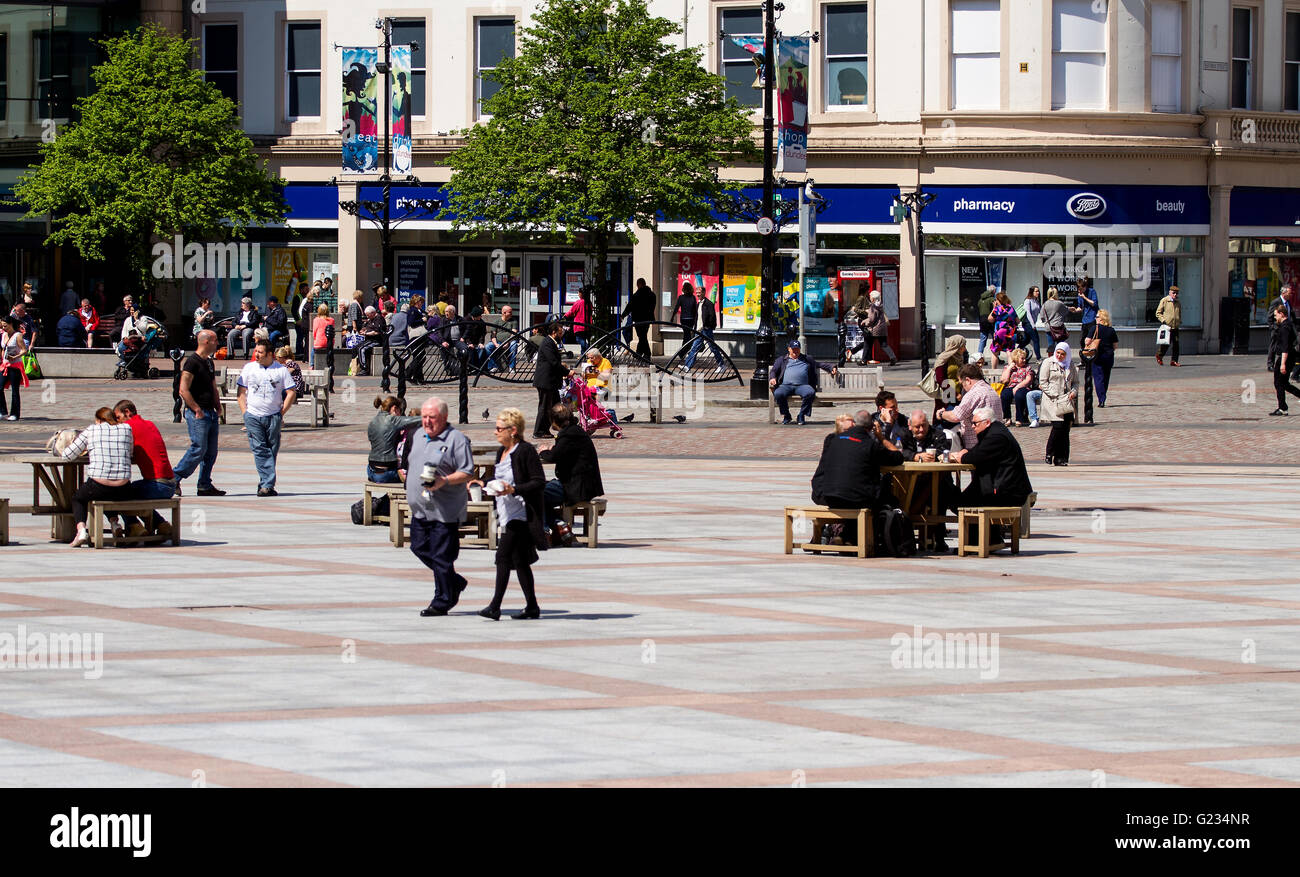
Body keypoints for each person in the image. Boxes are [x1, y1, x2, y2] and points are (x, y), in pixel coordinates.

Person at [403, 396, 475, 617]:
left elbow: (467, 471)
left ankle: (442, 600)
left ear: (444, 418)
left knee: (442, 556)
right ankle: (454, 582)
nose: (426, 421)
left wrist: (443, 481)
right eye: (424, 417)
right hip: (420, 508)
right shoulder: (416, 436)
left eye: (432, 417)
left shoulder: (457, 440)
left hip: (445, 510)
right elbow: (408, 462)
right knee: (418, 547)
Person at [475, 407, 548, 620]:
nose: (495, 432)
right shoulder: (502, 451)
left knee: (502, 557)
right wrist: (484, 483)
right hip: (506, 513)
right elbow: (502, 479)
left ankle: (495, 606)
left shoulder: (525, 451)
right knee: (520, 560)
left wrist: (514, 490)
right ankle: (532, 606)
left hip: (522, 514)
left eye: (499, 428)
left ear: (513, 430)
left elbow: (538, 481)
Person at [952, 407, 1034, 544]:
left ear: (987, 422)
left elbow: (974, 457)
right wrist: (967, 453)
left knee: (963, 503)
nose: (972, 427)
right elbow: (979, 453)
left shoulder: (996, 437)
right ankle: (990, 539)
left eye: (975, 423)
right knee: (960, 500)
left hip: (1008, 492)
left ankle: (979, 543)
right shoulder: (994, 432)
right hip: (1000, 487)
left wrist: (962, 456)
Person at [62, 407, 134, 547]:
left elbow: (67, 455)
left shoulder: (91, 430)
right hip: (123, 486)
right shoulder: (127, 429)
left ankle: (81, 530)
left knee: (78, 498)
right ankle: (114, 523)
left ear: (98, 420)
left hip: (98, 484)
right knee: (106, 494)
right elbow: (130, 454)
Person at [810, 409, 904, 517]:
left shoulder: (833, 440)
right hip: (857, 499)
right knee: (889, 498)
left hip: (827, 496)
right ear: (871, 427)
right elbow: (898, 457)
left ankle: (842, 531)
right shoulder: (870, 445)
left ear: (855, 423)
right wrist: (881, 437)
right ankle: (873, 531)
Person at [236, 338, 298, 496]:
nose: (256, 354)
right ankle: (267, 485)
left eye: (260, 352)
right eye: (255, 351)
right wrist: (245, 413)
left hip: (273, 416)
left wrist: (282, 412)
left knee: (271, 450)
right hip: (253, 416)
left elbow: (291, 392)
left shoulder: (281, 370)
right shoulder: (249, 368)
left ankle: (265, 482)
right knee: (259, 449)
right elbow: (241, 393)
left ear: (270, 354)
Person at [110, 399, 177, 541]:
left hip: (157, 485)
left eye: (118, 418)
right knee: (134, 490)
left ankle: (134, 526)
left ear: (127, 412)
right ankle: (161, 524)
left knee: (120, 492)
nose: (118, 422)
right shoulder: (150, 424)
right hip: (171, 484)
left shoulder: (128, 427)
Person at [537, 402, 604, 538]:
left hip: (575, 487)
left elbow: (554, 456)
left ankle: (544, 530)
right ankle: (560, 525)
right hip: (584, 485)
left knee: (535, 491)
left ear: (554, 421)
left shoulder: (568, 435)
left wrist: (543, 451)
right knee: (540, 490)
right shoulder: (575, 431)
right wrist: (554, 449)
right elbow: (563, 451)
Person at [174, 329, 225, 496]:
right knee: (198, 448)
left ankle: (204, 484)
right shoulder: (192, 362)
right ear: (206, 342)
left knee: (211, 452)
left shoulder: (209, 362)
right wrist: (195, 408)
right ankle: (174, 477)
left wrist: (218, 405)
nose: (218, 343)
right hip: (198, 413)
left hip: (210, 412)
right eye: (215, 340)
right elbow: (183, 389)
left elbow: (213, 387)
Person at [769, 339, 837, 426]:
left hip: (802, 385)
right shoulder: (782, 359)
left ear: (800, 349)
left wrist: (832, 367)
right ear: (789, 349)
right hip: (786, 386)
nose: (795, 351)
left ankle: (801, 415)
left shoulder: (807, 359)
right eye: (793, 349)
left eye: (797, 349)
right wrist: (772, 378)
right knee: (778, 393)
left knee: (810, 393)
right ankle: (786, 415)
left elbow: (819, 364)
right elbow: (774, 370)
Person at [938, 363, 1001, 451]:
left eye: (961, 384)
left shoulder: (973, 394)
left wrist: (941, 414)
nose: (962, 387)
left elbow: (956, 416)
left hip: (976, 445)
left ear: (967, 380)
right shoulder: (991, 391)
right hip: (994, 441)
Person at [1039, 341, 1077, 466]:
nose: (1060, 356)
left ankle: (1062, 458)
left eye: (1063, 354)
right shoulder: (1048, 363)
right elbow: (1043, 382)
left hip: (1066, 401)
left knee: (1065, 429)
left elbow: (1076, 382)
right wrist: (1054, 393)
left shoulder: (1070, 364)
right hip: (1052, 399)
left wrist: (1074, 392)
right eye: (1058, 353)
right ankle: (1049, 453)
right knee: (1057, 427)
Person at [367, 395, 421, 483]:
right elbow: (417, 420)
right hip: (386, 474)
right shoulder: (393, 420)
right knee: (415, 476)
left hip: (370, 471)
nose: (401, 414)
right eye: (400, 411)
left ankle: (386, 497)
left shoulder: (372, 421)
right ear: (395, 408)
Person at [532, 320, 569, 439]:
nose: (561, 335)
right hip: (545, 381)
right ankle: (539, 431)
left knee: (555, 405)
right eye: (560, 332)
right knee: (544, 406)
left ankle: (553, 426)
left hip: (551, 381)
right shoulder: (547, 342)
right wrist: (567, 372)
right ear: (554, 332)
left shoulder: (551, 342)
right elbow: (553, 362)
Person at [1268, 303, 1300, 415]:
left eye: (1276, 315)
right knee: (1285, 383)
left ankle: (1282, 408)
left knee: (1279, 383)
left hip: (1285, 357)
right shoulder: (1288, 324)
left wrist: (1282, 364)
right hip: (1289, 357)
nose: (1275, 317)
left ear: (1282, 314)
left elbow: (1285, 347)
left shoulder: (1285, 327)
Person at [683, 285, 722, 370]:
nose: (697, 295)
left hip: (706, 330)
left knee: (713, 348)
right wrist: (695, 328)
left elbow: (712, 317)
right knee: (694, 348)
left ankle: (721, 365)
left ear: (704, 293)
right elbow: (697, 318)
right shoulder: (698, 304)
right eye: (696, 293)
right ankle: (687, 366)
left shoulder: (708, 304)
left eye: (699, 293)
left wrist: (708, 327)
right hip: (699, 330)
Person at [1087, 309, 1120, 408]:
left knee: (1098, 378)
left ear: (1101, 318)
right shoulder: (1111, 330)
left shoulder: (1094, 328)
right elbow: (1115, 346)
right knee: (1105, 378)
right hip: (1109, 356)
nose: (1095, 318)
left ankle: (1101, 399)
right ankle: (1103, 397)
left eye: (1097, 317)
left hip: (1097, 356)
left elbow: (1087, 342)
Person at [621, 277, 657, 359]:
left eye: (637, 285)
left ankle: (646, 353)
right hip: (647, 318)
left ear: (639, 285)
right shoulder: (652, 295)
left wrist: (623, 315)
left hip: (639, 318)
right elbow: (652, 307)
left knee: (642, 336)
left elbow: (629, 306)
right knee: (643, 335)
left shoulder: (637, 295)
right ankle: (639, 353)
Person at [0, 316, 28, 420]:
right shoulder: (3, 335)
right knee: (0, 387)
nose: (4, 328)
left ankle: (15, 414)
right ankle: (3, 411)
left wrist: (15, 357)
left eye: (5, 325)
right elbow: (3, 348)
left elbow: (24, 350)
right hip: (5, 365)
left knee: (15, 390)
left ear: (11, 324)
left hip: (15, 365)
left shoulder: (18, 335)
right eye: (2, 326)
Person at [998, 348, 1035, 426]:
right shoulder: (1009, 367)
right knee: (1005, 395)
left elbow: (1028, 380)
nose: (1024, 360)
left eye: (1025, 358)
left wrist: (1017, 387)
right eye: (1022, 358)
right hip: (1010, 386)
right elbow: (1004, 380)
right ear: (1016, 359)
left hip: (1023, 387)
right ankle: (1007, 418)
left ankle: (1019, 418)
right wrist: (1009, 368)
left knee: (1019, 395)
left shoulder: (1027, 368)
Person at [860, 289, 898, 365]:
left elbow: (871, 319)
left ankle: (863, 361)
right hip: (882, 328)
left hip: (874, 329)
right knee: (884, 345)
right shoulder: (880, 305)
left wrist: (866, 323)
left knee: (867, 344)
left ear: (873, 299)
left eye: (870, 297)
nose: (869, 298)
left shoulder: (872, 307)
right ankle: (893, 357)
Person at [355, 305, 388, 375]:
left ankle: (364, 368)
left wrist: (366, 333)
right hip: (369, 339)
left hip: (376, 340)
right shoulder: (370, 319)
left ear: (373, 313)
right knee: (357, 347)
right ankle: (360, 367)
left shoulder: (379, 319)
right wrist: (363, 330)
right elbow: (366, 327)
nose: (367, 317)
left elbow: (376, 332)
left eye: (368, 315)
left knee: (361, 349)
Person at [989, 292, 1018, 364]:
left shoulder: (997, 309)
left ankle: (993, 373)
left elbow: (990, 319)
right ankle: (1010, 370)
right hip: (1010, 332)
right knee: (1009, 351)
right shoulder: (1011, 308)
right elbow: (1018, 320)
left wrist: (994, 308)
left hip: (999, 331)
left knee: (995, 351)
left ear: (998, 300)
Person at [1155, 285, 1181, 366]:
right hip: (1167, 327)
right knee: (1166, 344)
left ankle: (1174, 361)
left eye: (1176, 293)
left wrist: (1179, 321)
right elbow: (1158, 313)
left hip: (1175, 327)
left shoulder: (1178, 302)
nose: (1175, 295)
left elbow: (1179, 313)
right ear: (1170, 292)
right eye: (1173, 293)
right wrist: (1163, 321)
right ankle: (1159, 355)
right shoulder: (1165, 300)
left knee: (1176, 345)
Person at [563, 286, 593, 352]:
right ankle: (583, 354)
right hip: (587, 324)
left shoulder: (579, 302)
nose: (578, 294)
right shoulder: (589, 302)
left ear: (581, 294)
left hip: (579, 325)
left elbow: (572, 311)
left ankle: (590, 350)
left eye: (579, 293)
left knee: (579, 339)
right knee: (584, 339)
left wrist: (565, 316)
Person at [295, 284, 319, 359]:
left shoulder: (306, 300)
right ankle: (300, 353)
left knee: (306, 340)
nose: (307, 290)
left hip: (304, 323)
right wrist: (298, 320)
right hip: (302, 323)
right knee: (301, 339)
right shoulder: (300, 298)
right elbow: (296, 310)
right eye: (305, 289)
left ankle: (304, 355)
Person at [1076, 275, 1100, 350]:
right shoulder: (1080, 295)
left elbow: (1094, 303)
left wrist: (1084, 297)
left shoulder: (1092, 291)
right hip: (1084, 320)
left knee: (1092, 340)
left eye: (1080, 290)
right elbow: (1080, 307)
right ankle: (1083, 359)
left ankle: (1093, 357)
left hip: (1092, 319)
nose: (1079, 292)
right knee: (1083, 340)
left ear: (1084, 287)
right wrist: (1075, 310)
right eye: (1078, 290)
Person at [1020, 286, 1042, 360]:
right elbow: (1028, 313)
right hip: (1027, 323)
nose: (1038, 293)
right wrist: (1033, 325)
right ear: (1032, 292)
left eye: (1038, 291)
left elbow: (1039, 311)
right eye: (1036, 291)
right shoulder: (1027, 300)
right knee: (1036, 339)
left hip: (1032, 323)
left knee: (1026, 340)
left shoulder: (1036, 301)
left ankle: (1017, 350)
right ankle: (1039, 358)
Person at [310, 302, 334, 370]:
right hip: (329, 343)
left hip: (319, 342)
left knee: (313, 350)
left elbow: (314, 332)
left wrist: (315, 339)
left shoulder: (316, 320)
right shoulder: (332, 320)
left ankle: (312, 364)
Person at [977, 284, 997, 354]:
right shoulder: (992, 299)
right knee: (995, 338)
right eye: (995, 290)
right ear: (993, 291)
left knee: (983, 339)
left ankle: (979, 356)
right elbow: (995, 311)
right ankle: (996, 355)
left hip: (982, 320)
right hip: (990, 320)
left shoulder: (980, 300)